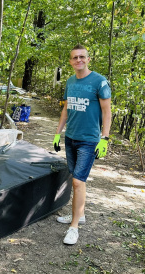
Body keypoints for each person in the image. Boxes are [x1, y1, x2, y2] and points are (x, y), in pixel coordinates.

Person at [53, 44, 112, 245]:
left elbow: (107, 112)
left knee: (79, 181)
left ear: (88, 59)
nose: (78, 60)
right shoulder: (70, 81)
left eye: (82, 57)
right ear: (70, 61)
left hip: (89, 140)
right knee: (75, 177)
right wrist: (57, 133)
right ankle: (80, 214)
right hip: (71, 137)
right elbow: (66, 109)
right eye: (74, 57)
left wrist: (104, 138)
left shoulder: (99, 81)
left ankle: (74, 227)